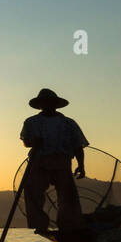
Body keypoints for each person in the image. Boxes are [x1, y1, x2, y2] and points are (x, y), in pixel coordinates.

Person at [20, 88, 88, 234]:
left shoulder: (68, 123)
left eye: (50, 102)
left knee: (67, 195)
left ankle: (69, 225)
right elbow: (26, 141)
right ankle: (40, 223)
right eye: (44, 102)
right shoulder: (31, 122)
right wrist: (33, 141)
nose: (47, 104)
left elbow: (77, 145)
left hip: (62, 160)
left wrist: (81, 165)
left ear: (55, 104)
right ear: (40, 104)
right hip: (39, 161)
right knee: (33, 191)